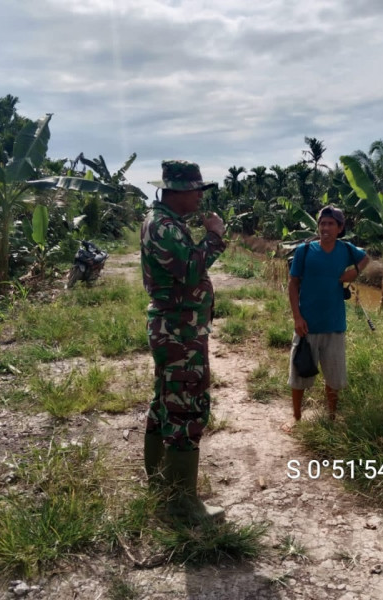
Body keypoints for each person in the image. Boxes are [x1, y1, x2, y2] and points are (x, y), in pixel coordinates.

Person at [141, 159, 227, 523]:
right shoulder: (164, 227)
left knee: (166, 403)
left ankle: (162, 487)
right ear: (178, 192)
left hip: (177, 329)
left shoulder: (164, 223)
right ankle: (182, 504)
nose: (199, 198)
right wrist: (215, 236)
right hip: (180, 333)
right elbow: (192, 269)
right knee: (186, 407)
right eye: (196, 191)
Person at [287, 205, 370, 425]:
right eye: (322, 223)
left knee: (334, 377)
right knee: (299, 375)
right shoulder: (305, 251)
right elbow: (293, 284)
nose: (325, 228)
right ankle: (296, 418)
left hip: (334, 325)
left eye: (331, 224)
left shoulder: (346, 249)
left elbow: (365, 259)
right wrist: (297, 317)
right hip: (307, 325)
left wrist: (354, 272)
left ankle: (331, 418)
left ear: (340, 228)